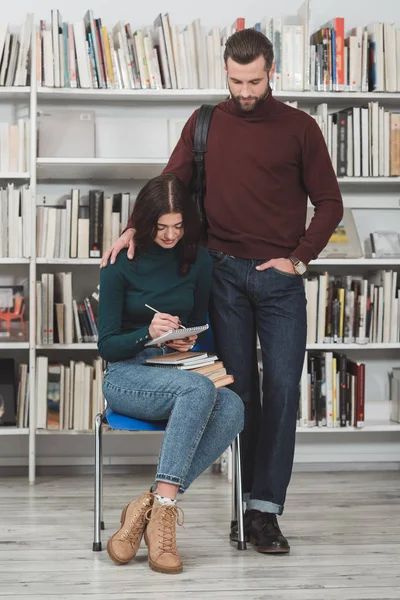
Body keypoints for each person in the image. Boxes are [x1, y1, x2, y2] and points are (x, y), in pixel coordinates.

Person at [101, 29, 344, 555]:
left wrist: (298, 258)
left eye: (254, 80)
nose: (245, 90)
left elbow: (329, 203)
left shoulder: (301, 128)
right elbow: (171, 183)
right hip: (223, 274)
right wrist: (132, 228)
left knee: (282, 391)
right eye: (236, 80)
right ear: (226, 72)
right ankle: (241, 509)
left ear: (271, 71)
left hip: (280, 281)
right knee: (237, 394)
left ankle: (265, 513)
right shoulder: (206, 121)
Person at [98, 173, 244, 574]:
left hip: (175, 369)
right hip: (127, 375)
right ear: (144, 223)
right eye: (161, 228)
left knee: (232, 406)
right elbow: (107, 345)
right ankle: (162, 516)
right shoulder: (119, 263)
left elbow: (197, 320)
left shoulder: (196, 260)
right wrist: (147, 333)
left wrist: (181, 338)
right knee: (199, 391)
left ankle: (149, 507)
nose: (170, 236)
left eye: (178, 227)